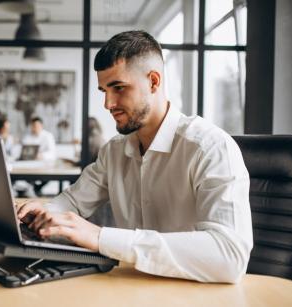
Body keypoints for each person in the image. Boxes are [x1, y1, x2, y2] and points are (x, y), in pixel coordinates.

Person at [17, 30, 253, 283]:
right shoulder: (114, 151)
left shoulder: (210, 147)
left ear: (153, 81)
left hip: (193, 294)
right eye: (104, 90)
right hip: (129, 286)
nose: (108, 103)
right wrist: (43, 212)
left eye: (118, 88)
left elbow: (230, 256)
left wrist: (101, 238)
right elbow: (73, 201)